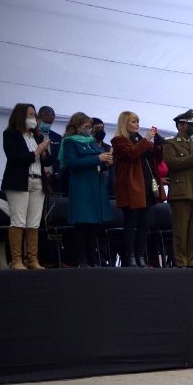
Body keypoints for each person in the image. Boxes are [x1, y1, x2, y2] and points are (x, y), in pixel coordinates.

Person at [2, 103, 53, 270]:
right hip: (19, 181)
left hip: (38, 182)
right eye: (31, 115)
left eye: (34, 115)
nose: (34, 119)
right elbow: (15, 159)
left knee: (34, 223)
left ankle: (33, 259)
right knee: (18, 220)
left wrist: (44, 153)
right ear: (20, 116)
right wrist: (36, 152)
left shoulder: (37, 136)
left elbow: (47, 162)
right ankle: (16, 260)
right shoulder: (10, 134)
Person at [60, 111, 114, 267]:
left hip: (95, 187)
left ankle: (92, 258)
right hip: (81, 187)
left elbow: (97, 162)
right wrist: (97, 158)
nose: (89, 129)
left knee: (94, 225)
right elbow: (73, 164)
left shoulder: (91, 141)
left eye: (90, 127)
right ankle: (81, 259)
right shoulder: (69, 142)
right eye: (86, 126)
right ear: (76, 126)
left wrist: (106, 163)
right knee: (82, 224)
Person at [111, 110, 164, 267]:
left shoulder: (140, 140)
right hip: (131, 188)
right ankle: (130, 256)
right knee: (131, 223)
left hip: (146, 187)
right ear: (124, 123)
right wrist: (146, 139)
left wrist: (159, 145)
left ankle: (141, 255)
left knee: (144, 224)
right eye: (133, 122)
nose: (137, 125)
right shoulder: (119, 140)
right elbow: (132, 154)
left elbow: (157, 159)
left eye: (138, 121)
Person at [163, 109, 193, 268]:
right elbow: (170, 162)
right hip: (181, 192)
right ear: (180, 126)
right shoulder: (170, 142)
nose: (192, 127)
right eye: (189, 125)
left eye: (192, 124)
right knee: (180, 230)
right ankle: (180, 261)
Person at [37, 106, 62, 195]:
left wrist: (56, 173)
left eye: (50, 122)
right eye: (45, 122)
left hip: (52, 180)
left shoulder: (57, 137)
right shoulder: (30, 135)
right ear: (38, 118)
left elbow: (60, 158)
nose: (47, 124)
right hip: (36, 176)